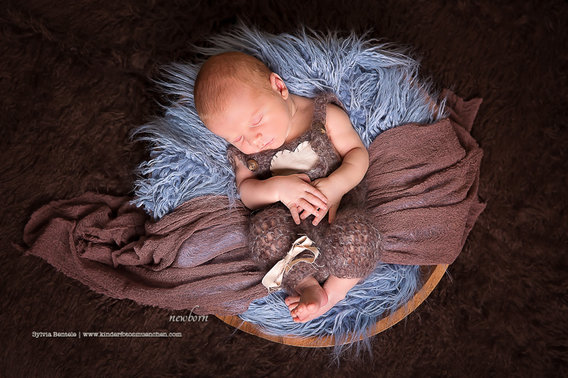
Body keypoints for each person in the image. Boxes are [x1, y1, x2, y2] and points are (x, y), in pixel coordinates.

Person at [193, 51, 381, 323]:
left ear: (279, 87)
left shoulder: (323, 117)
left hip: (338, 216)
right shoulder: (244, 155)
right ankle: (307, 286)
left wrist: (335, 187)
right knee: (264, 232)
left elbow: (357, 154)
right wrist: (278, 189)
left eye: (256, 121)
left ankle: (335, 291)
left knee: (359, 234)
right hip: (291, 229)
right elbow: (246, 191)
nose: (254, 140)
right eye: (237, 137)